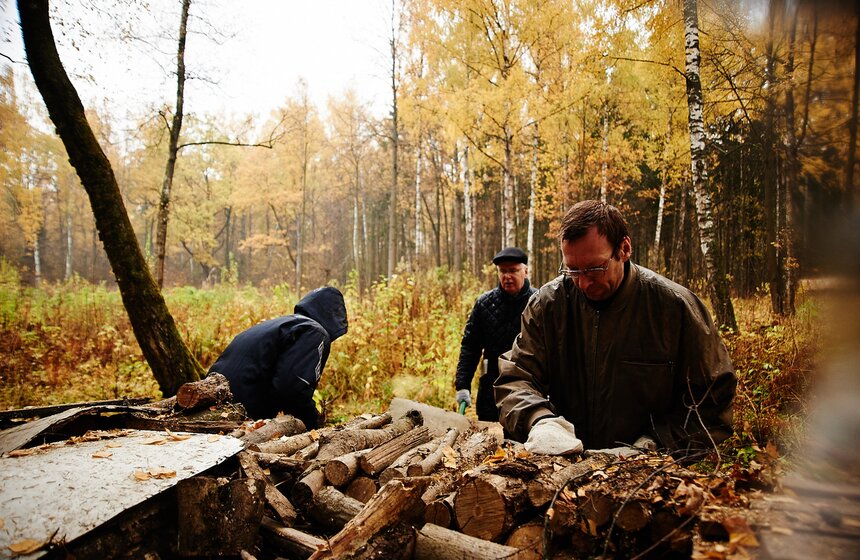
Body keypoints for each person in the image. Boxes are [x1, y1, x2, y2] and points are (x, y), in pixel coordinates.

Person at [494, 200, 736, 459]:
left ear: (624, 249)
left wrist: (655, 446)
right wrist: (540, 421)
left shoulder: (674, 308)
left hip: (649, 479)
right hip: (563, 471)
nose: (583, 283)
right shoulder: (548, 304)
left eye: (594, 269)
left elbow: (712, 399)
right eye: (572, 270)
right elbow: (516, 378)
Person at [209, 286, 348, 430]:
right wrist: (313, 425)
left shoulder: (282, 324)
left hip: (212, 399)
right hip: (240, 414)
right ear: (332, 317)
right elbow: (292, 389)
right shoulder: (315, 332)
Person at [455, 247, 537, 421]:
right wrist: (463, 386)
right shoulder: (484, 304)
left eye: (513, 270)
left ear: (526, 271)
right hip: (490, 391)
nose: (507, 276)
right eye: (502, 271)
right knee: (488, 442)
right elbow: (470, 346)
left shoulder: (538, 302)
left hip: (529, 391)